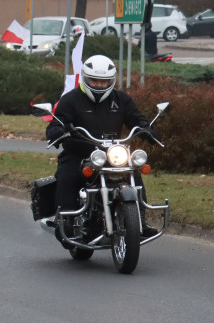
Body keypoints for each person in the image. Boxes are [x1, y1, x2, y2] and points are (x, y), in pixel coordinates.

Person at [44, 55, 156, 240]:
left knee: (133, 172)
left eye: (104, 81)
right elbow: (55, 124)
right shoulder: (71, 99)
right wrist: (60, 130)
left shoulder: (121, 100)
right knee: (68, 174)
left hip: (112, 154)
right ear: (86, 79)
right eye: (94, 81)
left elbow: (137, 119)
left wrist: (147, 129)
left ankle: (140, 220)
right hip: (79, 152)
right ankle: (65, 221)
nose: (99, 85)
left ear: (111, 81)